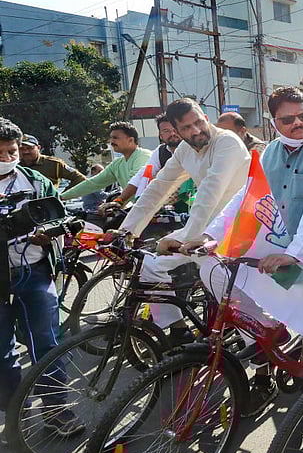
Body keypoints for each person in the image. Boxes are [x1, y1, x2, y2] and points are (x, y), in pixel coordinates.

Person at [201, 85, 303, 414]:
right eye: (288, 120)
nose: (299, 124)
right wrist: (211, 235)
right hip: (280, 262)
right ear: (273, 121)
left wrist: (297, 254)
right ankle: (269, 337)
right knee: (211, 270)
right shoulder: (269, 153)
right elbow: (245, 198)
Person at [117, 99, 250, 343]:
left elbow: (210, 192)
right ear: (176, 132)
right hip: (204, 227)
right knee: (149, 266)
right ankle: (179, 330)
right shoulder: (184, 151)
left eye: (199, 122)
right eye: (187, 128)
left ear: (206, 117)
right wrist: (125, 231)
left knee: (219, 282)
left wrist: (189, 240)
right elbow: (159, 187)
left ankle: (258, 346)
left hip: (239, 227)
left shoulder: (227, 142)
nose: (196, 130)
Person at [0, 118, 85, 437]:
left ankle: (55, 409)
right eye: (1, 152)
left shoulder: (36, 182)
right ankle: (13, 416)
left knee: (48, 345)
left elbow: (59, 217)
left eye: (12, 151)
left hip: (36, 274)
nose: (7, 158)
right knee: (2, 354)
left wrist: (50, 234)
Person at [99, 113, 191, 215]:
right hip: (169, 207)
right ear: (161, 135)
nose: (172, 133)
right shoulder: (160, 152)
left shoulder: (193, 149)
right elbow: (142, 176)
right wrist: (119, 200)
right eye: (166, 131)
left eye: (175, 129)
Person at [59, 122, 151, 203]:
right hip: (141, 211)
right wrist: (61, 197)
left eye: (115, 138)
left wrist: (118, 202)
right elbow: (93, 183)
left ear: (130, 140)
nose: (111, 142)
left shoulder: (143, 156)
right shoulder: (117, 164)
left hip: (157, 212)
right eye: (111, 138)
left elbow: (136, 184)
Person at [18, 133, 86, 189]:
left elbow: (80, 178)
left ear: (38, 148)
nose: (26, 151)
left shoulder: (54, 164)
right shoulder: (15, 166)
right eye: (21, 149)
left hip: (48, 203)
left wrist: (62, 196)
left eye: (30, 148)